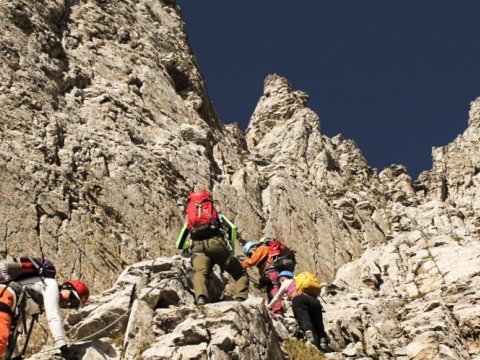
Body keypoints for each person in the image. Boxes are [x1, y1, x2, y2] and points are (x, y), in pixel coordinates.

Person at [176, 190, 249, 305]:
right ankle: (240, 298)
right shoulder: (216, 216)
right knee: (240, 274)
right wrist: (230, 249)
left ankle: (201, 298)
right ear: (209, 202)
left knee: (200, 272)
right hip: (217, 244)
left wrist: (188, 246)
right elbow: (232, 228)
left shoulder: (190, 221)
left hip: (197, 247)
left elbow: (179, 244)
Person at [0, 276, 89, 358]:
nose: (69, 304)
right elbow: (53, 317)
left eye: (73, 305)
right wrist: (63, 347)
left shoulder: (36, 302)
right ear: (66, 287)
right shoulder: (51, 285)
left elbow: (13, 330)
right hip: (5, 297)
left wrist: (15, 356)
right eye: (73, 299)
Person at [268, 270, 332, 352]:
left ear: (282, 278)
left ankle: (309, 334)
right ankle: (322, 339)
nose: (280, 283)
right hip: (315, 301)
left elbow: (277, 297)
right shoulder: (299, 282)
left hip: (299, 299)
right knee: (317, 321)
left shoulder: (286, 282)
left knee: (303, 316)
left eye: (280, 281)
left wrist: (269, 306)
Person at [241, 239, 285, 316]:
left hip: (271, 272)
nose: (251, 254)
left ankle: (277, 311)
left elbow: (253, 260)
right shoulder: (264, 250)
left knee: (273, 289)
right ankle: (274, 309)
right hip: (272, 272)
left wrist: (242, 264)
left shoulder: (262, 248)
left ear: (254, 247)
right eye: (249, 254)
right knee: (271, 290)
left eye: (250, 252)